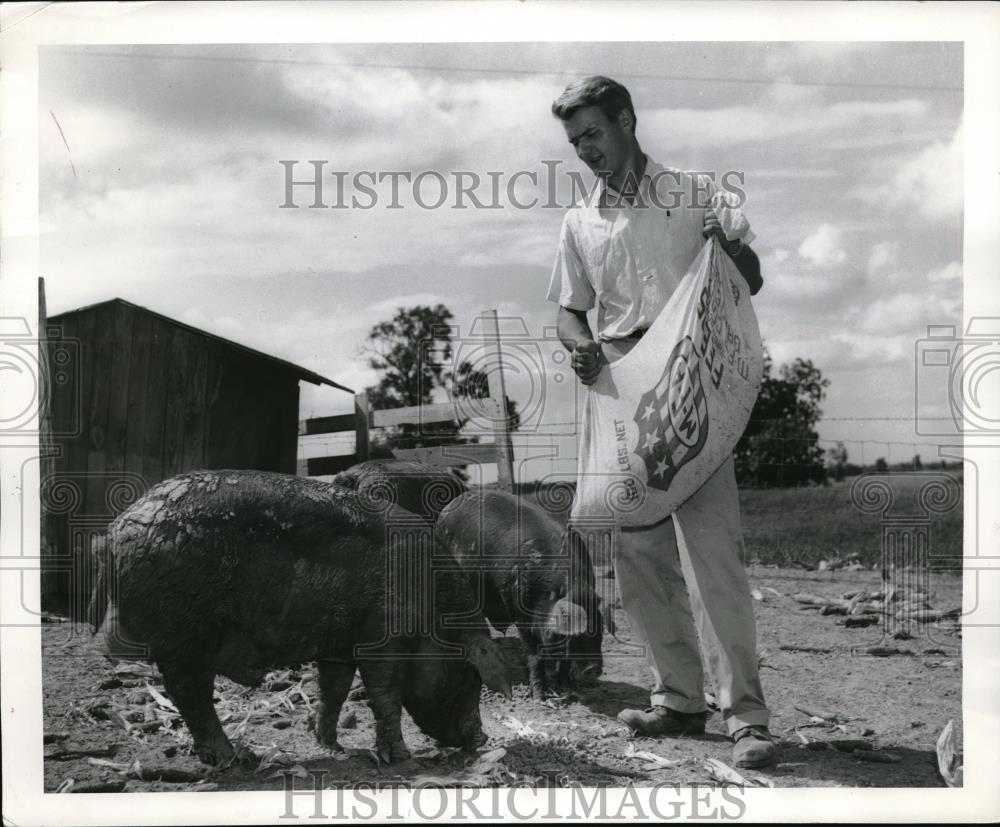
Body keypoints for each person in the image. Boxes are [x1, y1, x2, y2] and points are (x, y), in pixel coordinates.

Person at [546, 76, 775, 769]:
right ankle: (679, 698)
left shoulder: (695, 193)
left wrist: (726, 247)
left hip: (692, 382)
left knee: (713, 560)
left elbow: (752, 276)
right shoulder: (579, 221)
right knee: (640, 560)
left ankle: (746, 717)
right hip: (623, 385)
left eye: (593, 133)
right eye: (575, 140)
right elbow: (567, 310)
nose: (586, 150)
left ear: (626, 119)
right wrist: (578, 347)